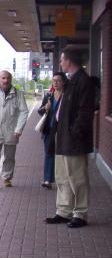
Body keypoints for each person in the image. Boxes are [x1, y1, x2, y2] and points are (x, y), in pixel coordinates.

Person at [45, 47, 96, 228]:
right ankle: (64, 211)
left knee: (77, 177)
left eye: (61, 59)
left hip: (74, 139)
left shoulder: (83, 81)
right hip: (63, 137)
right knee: (62, 176)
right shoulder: (71, 82)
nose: (60, 63)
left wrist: (74, 132)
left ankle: (80, 214)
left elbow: (85, 112)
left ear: (69, 61)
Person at [37, 72, 66, 189]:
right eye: (54, 80)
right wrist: (45, 107)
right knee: (49, 153)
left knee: (62, 155)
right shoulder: (49, 95)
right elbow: (40, 111)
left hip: (63, 131)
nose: (55, 83)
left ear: (63, 82)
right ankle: (47, 180)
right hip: (49, 130)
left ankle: (62, 179)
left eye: (58, 80)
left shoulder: (67, 96)